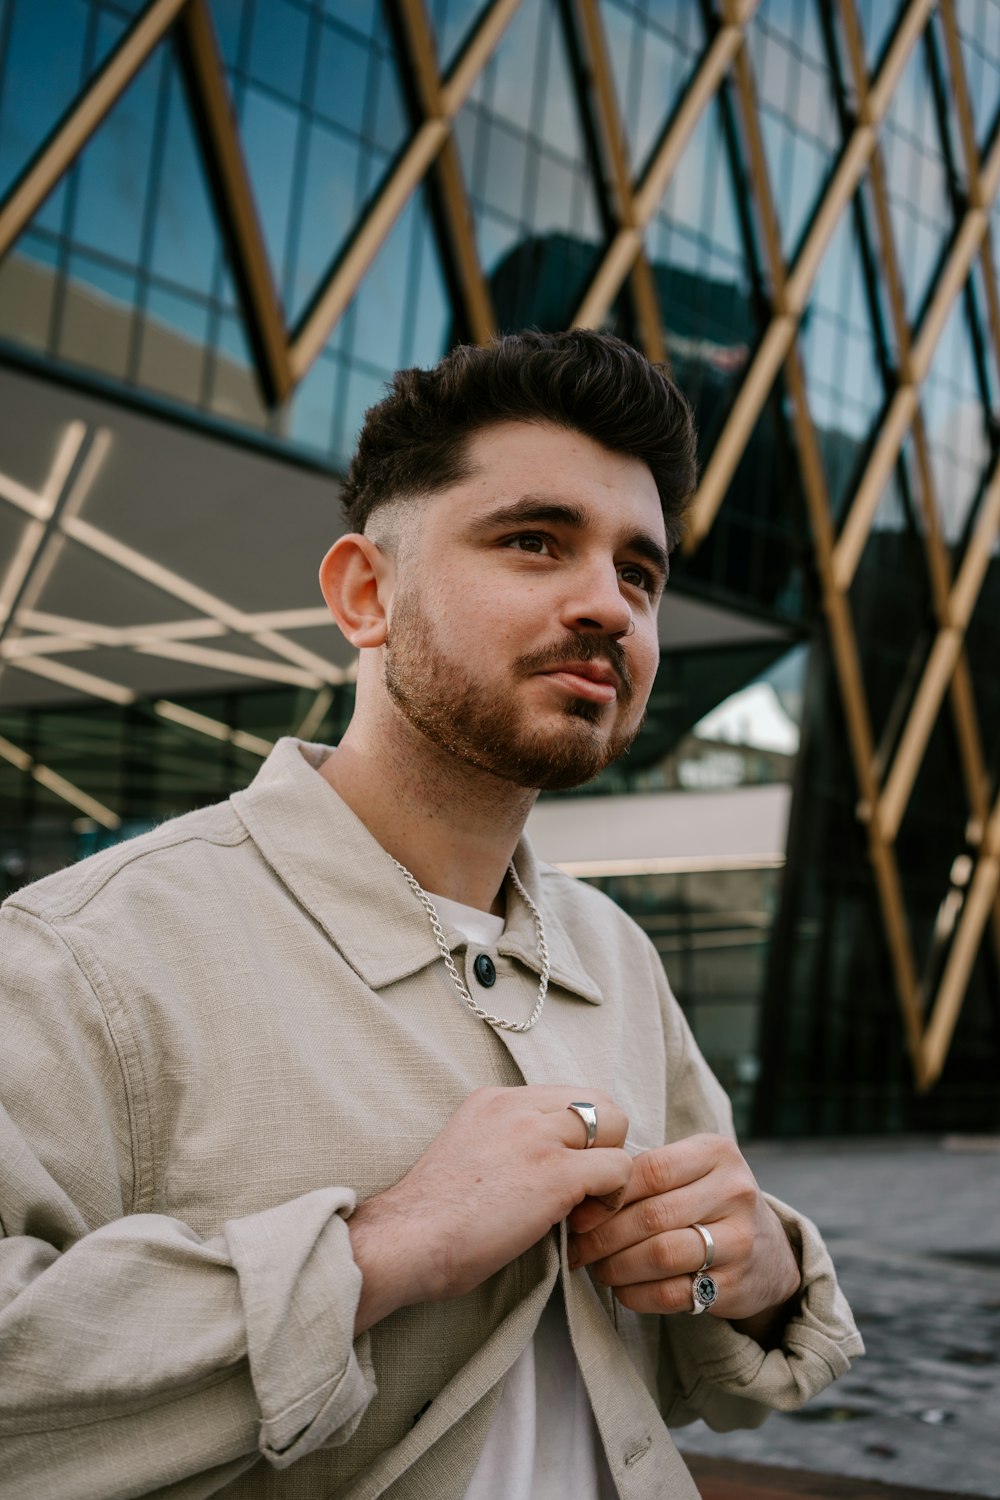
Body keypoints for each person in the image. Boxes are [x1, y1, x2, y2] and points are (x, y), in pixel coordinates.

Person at [0, 330, 862, 1499]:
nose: (606, 604)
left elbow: (681, 1372)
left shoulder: (616, 953)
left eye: (639, 573)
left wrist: (750, 1269)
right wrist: (377, 1253)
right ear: (368, 592)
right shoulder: (83, 955)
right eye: (534, 542)